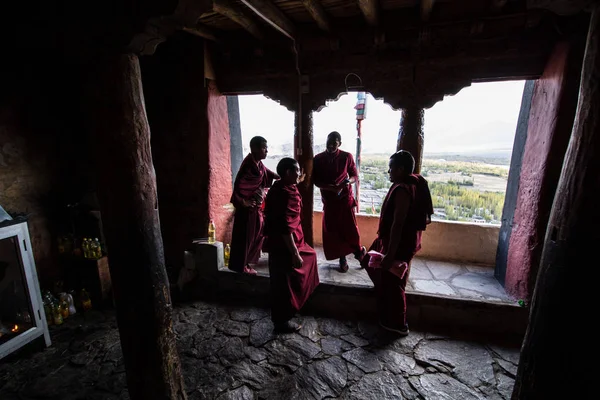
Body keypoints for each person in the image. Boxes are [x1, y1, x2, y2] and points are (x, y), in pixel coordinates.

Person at [360, 150, 433, 335]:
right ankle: (386, 307)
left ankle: (397, 324)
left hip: (399, 242)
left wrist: (390, 254)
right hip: (407, 240)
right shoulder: (415, 183)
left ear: (400, 169)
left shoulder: (403, 190)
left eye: (391, 168)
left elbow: (398, 223)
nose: (389, 172)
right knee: (369, 260)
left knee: (394, 283)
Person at [264, 157, 319, 333]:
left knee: (286, 277)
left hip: (279, 242)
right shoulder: (286, 194)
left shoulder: (280, 187)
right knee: (283, 283)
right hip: (285, 244)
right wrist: (294, 253)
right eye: (296, 171)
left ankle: (287, 313)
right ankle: (282, 322)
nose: (299, 174)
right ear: (288, 173)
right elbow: (285, 227)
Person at [313, 131, 366, 272]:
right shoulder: (318, 158)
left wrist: (348, 182)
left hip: (344, 199)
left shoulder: (346, 156)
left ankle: (359, 252)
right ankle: (342, 258)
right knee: (334, 231)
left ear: (339, 144)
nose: (330, 146)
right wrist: (330, 188)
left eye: (334, 143)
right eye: (328, 143)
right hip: (329, 200)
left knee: (350, 229)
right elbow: (315, 180)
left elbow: (355, 175)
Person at [230, 136, 279, 275]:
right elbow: (239, 186)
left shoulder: (257, 163)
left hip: (255, 208)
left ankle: (245, 263)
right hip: (246, 210)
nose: (267, 151)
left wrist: (283, 175)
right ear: (255, 149)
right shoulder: (248, 165)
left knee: (256, 234)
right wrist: (243, 202)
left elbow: (269, 174)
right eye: (264, 148)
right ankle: (242, 266)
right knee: (245, 238)